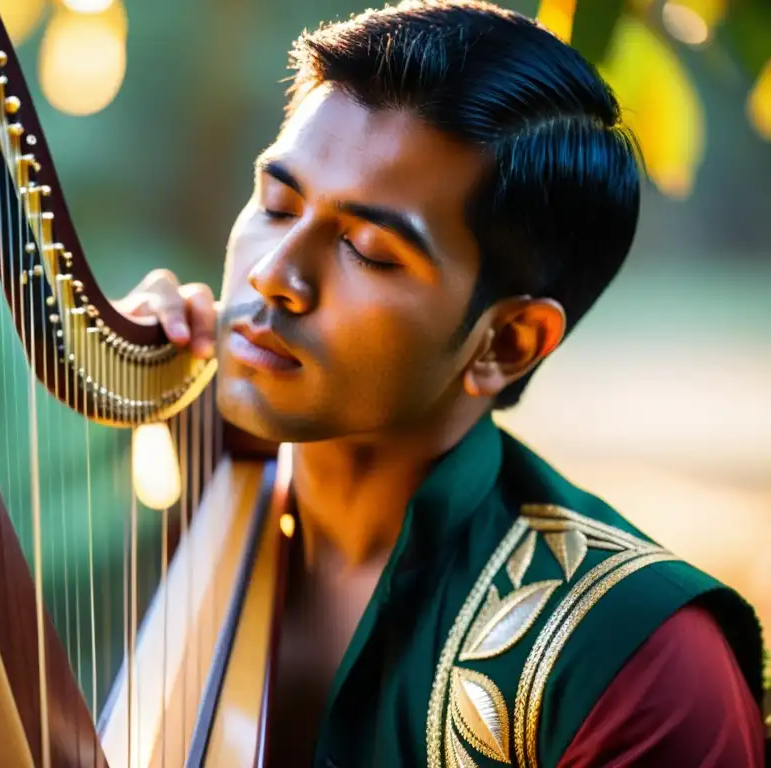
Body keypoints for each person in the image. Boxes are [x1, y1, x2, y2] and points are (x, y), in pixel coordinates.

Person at [117, 1, 768, 765]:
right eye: (276, 204)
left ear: (505, 342)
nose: (273, 273)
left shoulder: (637, 664)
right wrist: (150, 397)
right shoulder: (213, 494)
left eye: (366, 248)